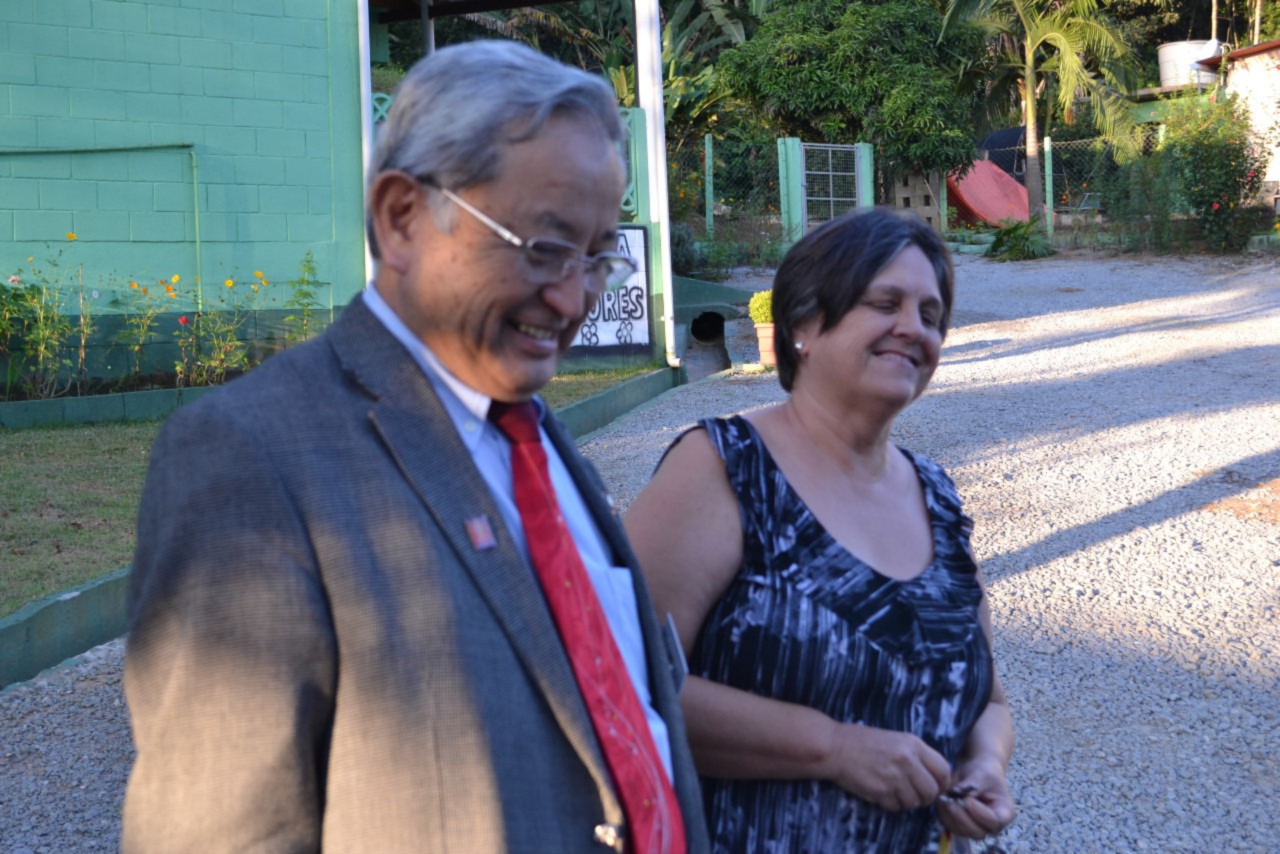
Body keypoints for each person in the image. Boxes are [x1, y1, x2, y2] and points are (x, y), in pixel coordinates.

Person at [123, 40, 708, 854]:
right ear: (402, 217)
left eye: (598, 256)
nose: (573, 297)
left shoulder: (535, 435)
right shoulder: (250, 459)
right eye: (544, 249)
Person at [624, 208, 1016, 853]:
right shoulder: (723, 469)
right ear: (803, 325)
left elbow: (988, 701)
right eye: (884, 304)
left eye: (930, 314)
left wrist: (985, 766)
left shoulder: (938, 498)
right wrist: (833, 748)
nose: (913, 328)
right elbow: (626, 685)